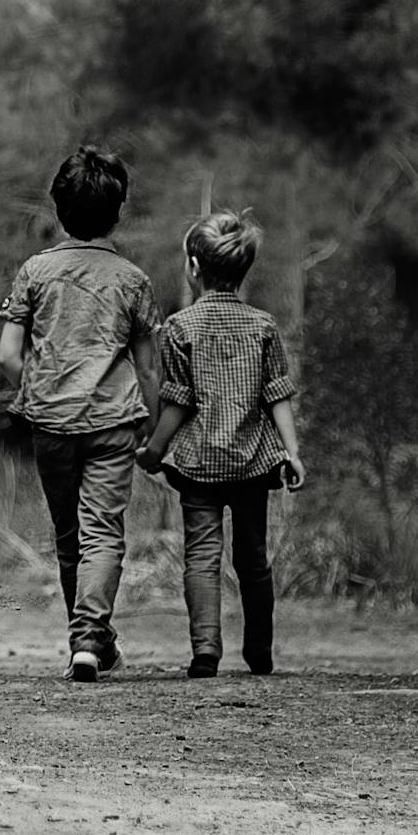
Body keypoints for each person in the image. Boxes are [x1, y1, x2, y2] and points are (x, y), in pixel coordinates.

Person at [0, 143, 157, 682]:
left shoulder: (34, 272)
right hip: (114, 423)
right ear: (118, 211)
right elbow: (148, 368)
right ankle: (91, 640)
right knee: (103, 534)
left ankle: (86, 643)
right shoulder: (133, 281)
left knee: (70, 538)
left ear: (58, 209)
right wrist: (152, 428)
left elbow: (7, 356)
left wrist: (38, 393)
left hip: (52, 425)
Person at [132, 209, 304, 678]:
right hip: (253, 462)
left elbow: (177, 402)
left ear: (193, 266)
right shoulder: (264, 326)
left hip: (198, 464)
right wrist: (291, 451)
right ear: (243, 268)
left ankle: (205, 651)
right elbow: (277, 395)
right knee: (253, 560)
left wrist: (153, 450)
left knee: (201, 558)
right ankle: (259, 651)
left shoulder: (181, 327)